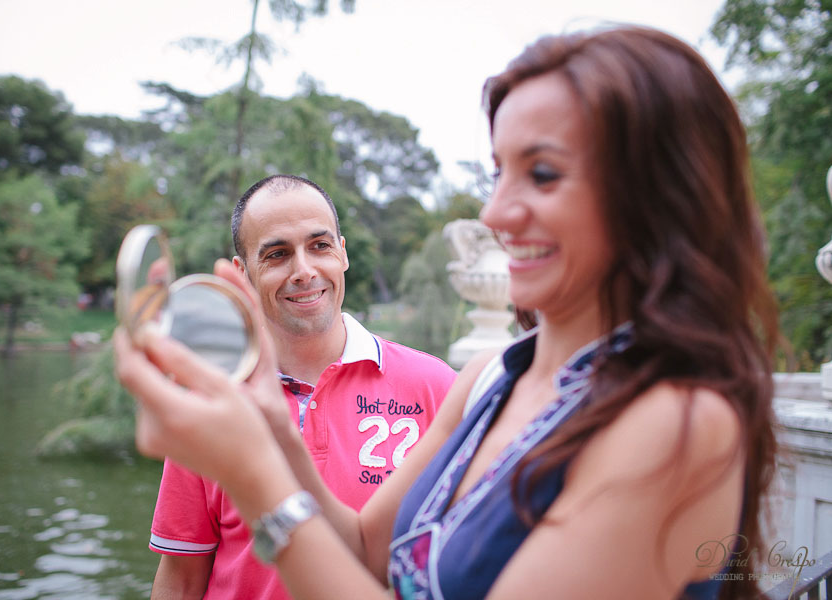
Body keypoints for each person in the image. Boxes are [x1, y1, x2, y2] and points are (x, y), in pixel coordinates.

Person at [117, 25, 779, 600]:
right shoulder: (489, 379)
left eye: (542, 174)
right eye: (499, 172)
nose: (493, 213)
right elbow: (363, 551)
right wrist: (271, 426)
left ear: (654, 197)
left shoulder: (674, 421)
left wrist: (250, 475)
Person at [145, 175, 457, 599]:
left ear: (343, 253)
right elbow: (181, 578)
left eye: (320, 246)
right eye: (277, 254)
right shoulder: (212, 404)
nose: (304, 271)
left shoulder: (436, 387)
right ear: (243, 274)